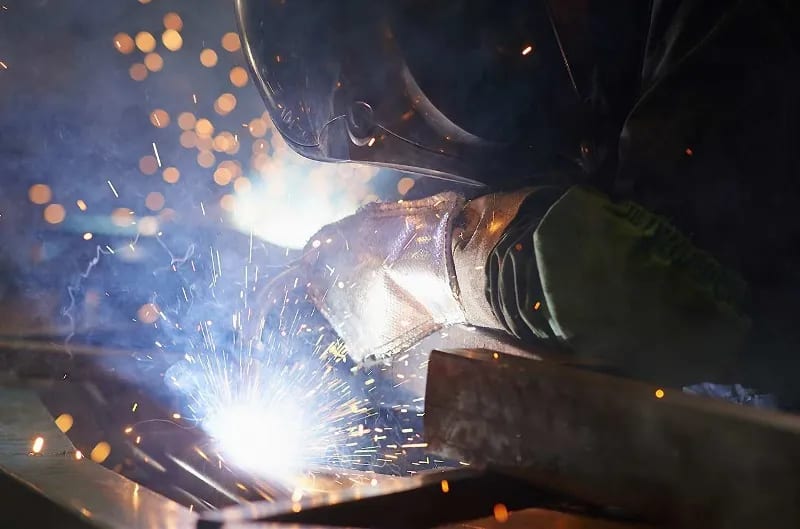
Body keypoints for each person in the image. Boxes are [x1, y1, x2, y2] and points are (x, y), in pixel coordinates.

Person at [236, 0, 800, 408]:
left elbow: (675, 299)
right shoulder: (550, 76)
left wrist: (419, 260)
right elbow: (471, 191)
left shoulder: (727, 22)